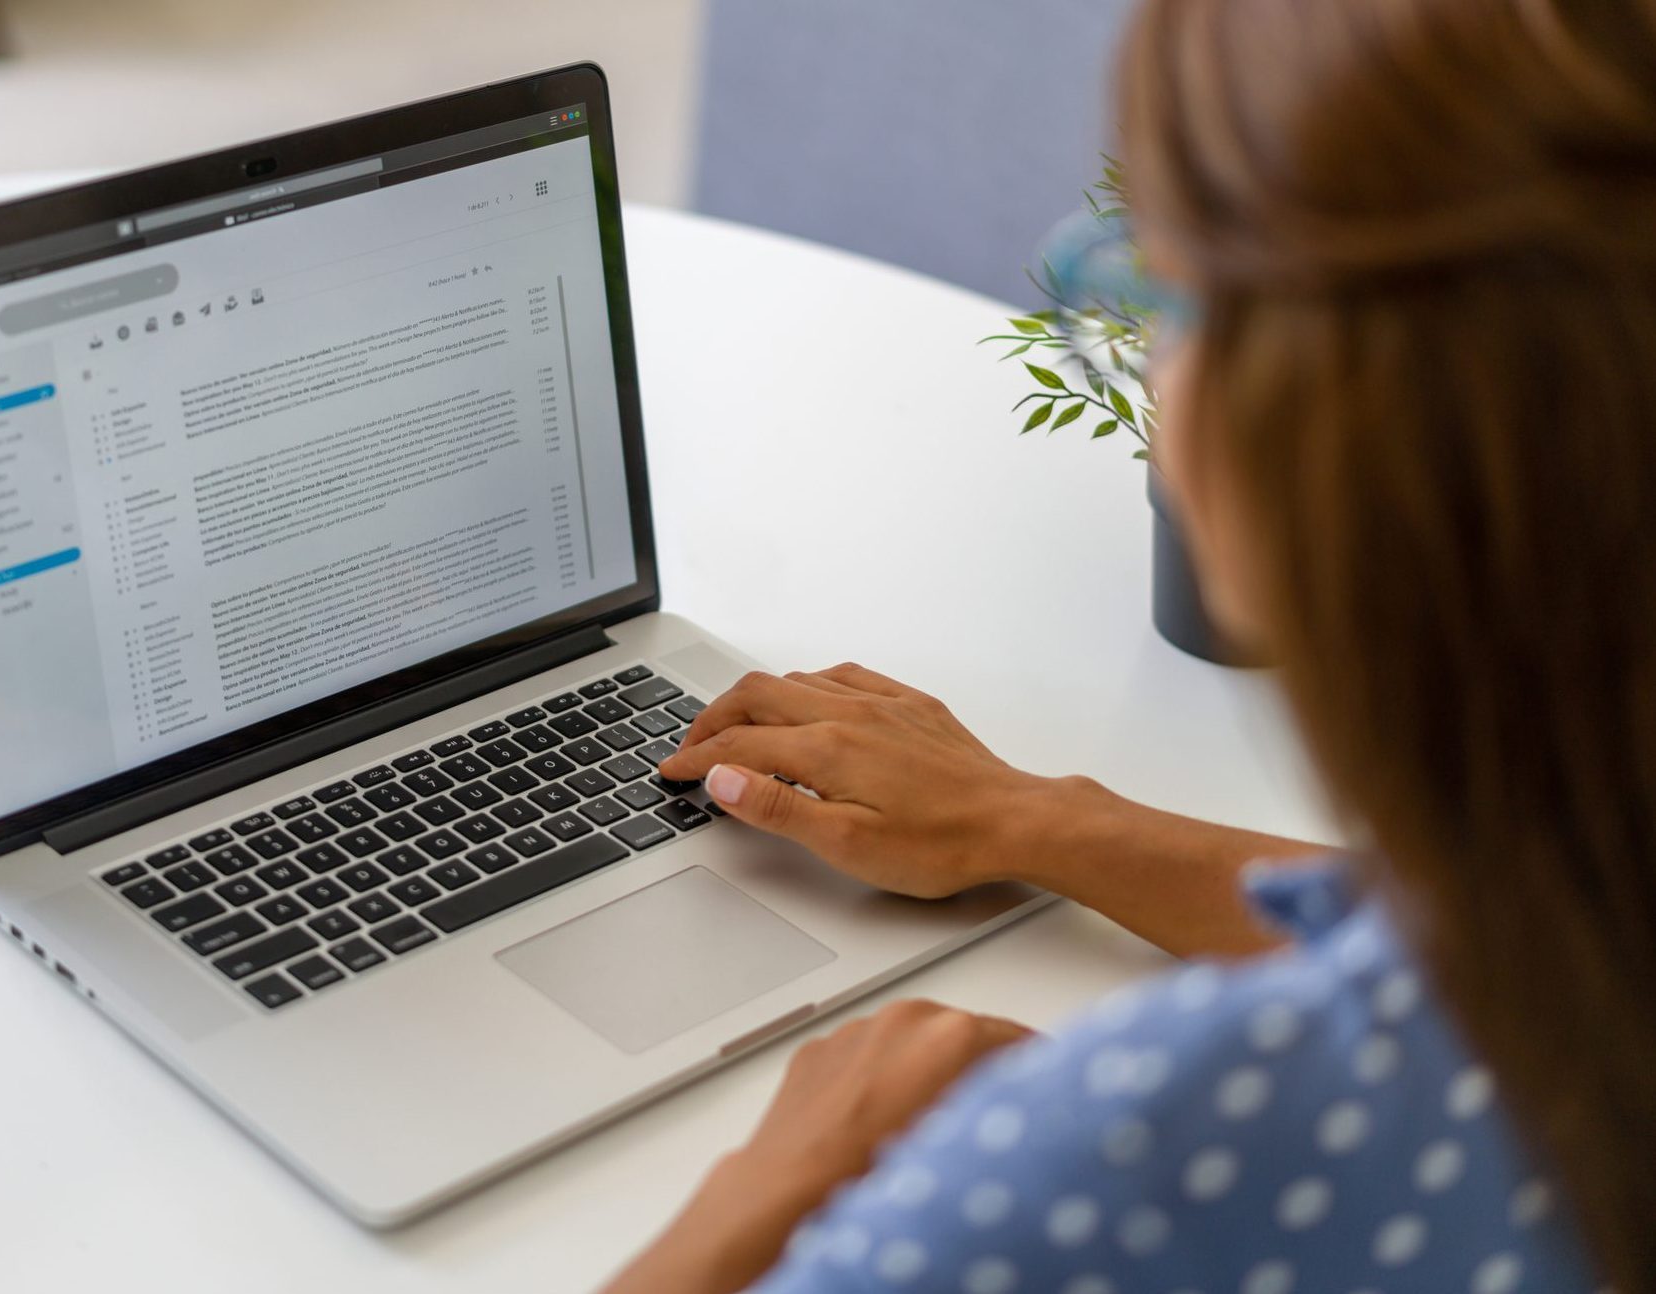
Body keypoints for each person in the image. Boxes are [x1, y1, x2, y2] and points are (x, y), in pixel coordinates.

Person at [602, 0, 1656, 1290]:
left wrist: (762, 1191)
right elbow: (1514, 947)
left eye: (1154, 278)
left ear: (1288, 425)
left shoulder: (1129, 1153)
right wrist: (1043, 820)